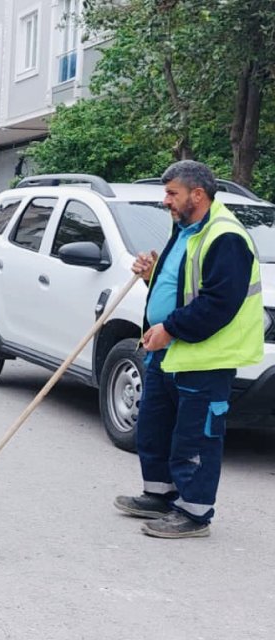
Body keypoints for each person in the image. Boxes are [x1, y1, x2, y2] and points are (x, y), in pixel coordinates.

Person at [115, 160, 264, 539]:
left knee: (195, 436)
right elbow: (184, 283)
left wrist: (170, 328)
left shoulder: (226, 236)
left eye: (171, 194)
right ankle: (160, 494)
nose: (165, 201)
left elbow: (218, 303)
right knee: (155, 425)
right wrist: (152, 273)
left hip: (206, 356)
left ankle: (194, 513)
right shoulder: (184, 229)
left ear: (197, 195)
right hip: (170, 351)